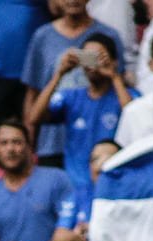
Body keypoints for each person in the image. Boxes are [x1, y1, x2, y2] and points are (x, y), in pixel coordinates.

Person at [27, 33, 136, 212]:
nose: (92, 64)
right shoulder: (72, 96)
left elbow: (134, 118)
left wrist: (114, 77)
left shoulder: (126, 95)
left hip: (114, 185)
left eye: (98, 57)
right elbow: (34, 117)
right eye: (87, 57)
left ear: (114, 61)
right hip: (75, 187)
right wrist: (59, 74)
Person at [19, 0, 124, 166]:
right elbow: (32, 93)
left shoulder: (108, 35)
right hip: (51, 142)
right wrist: (29, 143)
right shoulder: (43, 36)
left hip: (100, 142)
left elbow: (121, 89)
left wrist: (112, 74)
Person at [0, 121, 82, 241]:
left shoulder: (56, 179)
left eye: (17, 142)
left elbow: (73, 233)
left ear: (30, 147)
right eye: (3, 143)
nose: (10, 148)